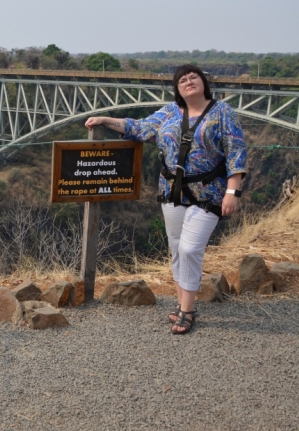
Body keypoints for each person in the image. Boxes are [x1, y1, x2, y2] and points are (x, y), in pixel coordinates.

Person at [85, 64, 246, 334]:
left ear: (204, 82)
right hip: (172, 192)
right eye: (182, 79)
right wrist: (105, 120)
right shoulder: (169, 112)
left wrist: (232, 192)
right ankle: (182, 304)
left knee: (190, 249)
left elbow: (236, 153)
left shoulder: (223, 113)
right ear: (177, 88)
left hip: (209, 194)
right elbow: (140, 128)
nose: (189, 81)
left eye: (194, 77)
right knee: (176, 248)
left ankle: (188, 310)